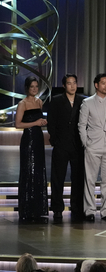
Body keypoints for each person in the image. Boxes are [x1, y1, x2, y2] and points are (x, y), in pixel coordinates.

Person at [79, 73, 106, 222]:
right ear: (96, 85)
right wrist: (86, 143)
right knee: (90, 179)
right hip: (93, 145)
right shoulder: (87, 103)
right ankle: (89, 210)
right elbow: (82, 125)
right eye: (103, 83)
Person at [47, 73, 85, 222]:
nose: (72, 86)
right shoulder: (56, 100)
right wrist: (55, 140)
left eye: (74, 83)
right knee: (58, 178)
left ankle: (76, 207)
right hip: (61, 144)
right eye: (69, 83)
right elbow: (51, 121)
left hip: (78, 145)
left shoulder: (83, 100)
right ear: (64, 86)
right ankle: (57, 208)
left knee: (78, 178)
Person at [15, 76, 48, 222]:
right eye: (31, 87)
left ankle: (37, 210)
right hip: (28, 140)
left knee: (38, 172)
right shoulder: (22, 103)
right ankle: (27, 210)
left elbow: (38, 121)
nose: (34, 89)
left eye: (36, 86)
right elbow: (18, 124)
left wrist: (43, 122)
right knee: (29, 171)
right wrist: (35, 122)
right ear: (27, 88)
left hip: (39, 139)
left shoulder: (39, 102)